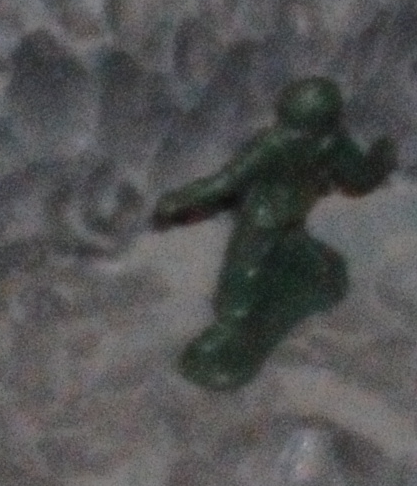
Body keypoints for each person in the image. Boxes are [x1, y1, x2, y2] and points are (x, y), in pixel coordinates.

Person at [150, 75, 395, 388]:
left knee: (242, 274)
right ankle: (317, 274)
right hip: (293, 214)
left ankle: (231, 333)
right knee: (292, 246)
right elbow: (360, 179)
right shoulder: (333, 142)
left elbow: (225, 182)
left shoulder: (275, 144)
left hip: (263, 222)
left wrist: (178, 201)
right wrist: (381, 158)